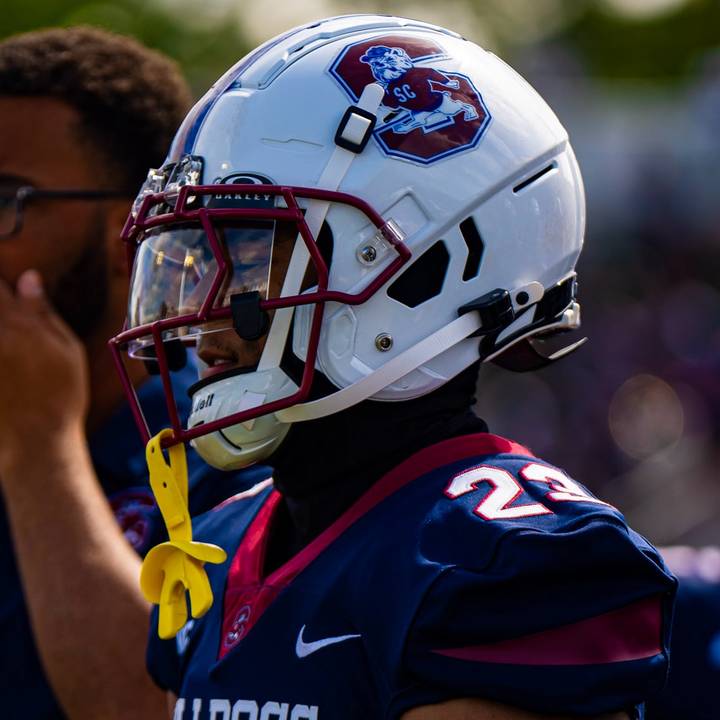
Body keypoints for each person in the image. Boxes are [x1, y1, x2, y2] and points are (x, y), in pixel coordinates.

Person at [111, 14, 677, 720]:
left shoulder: (511, 559)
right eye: (196, 260)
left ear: (423, 267)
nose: (201, 317)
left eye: (248, 258)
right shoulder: (223, 538)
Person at [0, 26, 267, 720]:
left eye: (6, 201)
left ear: (132, 240)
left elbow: (164, 708)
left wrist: (39, 445)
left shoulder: (230, 451)